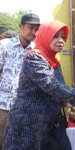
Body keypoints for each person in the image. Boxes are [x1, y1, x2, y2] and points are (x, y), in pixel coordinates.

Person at [2, 20, 75, 150]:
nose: (61, 40)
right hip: (27, 127)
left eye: (63, 36)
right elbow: (53, 86)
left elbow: (57, 93)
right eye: (55, 36)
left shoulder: (53, 61)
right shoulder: (34, 58)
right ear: (45, 36)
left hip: (46, 127)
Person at [0, 13, 40, 149]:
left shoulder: (37, 51)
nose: (33, 32)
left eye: (36, 29)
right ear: (20, 26)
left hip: (26, 109)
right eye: (30, 28)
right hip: (4, 106)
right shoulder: (4, 46)